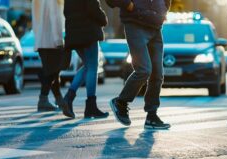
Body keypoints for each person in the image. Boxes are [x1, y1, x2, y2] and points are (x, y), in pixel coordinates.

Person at [106, 0, 171, 129]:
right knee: (144, 69)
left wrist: (163, 9)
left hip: (155, 26)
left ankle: (151, 116)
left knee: (157, 74)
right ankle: (121, 102)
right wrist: (129, 5)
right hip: (135, 23)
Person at [62, 0, 109, 119]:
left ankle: (69, 98)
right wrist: (103, 19)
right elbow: (93, 8)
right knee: (92, 67)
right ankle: (90, 106)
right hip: (88, 32)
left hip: (74, 34)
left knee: (88, 66)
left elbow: (66, 12)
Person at [32, 0, 68, 112]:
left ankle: (59, 99)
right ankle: (43, 99)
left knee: (53, 72)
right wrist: (59, 40)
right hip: (51, 41)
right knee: (51, 73)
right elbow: (55, 17)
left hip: (41, 40)